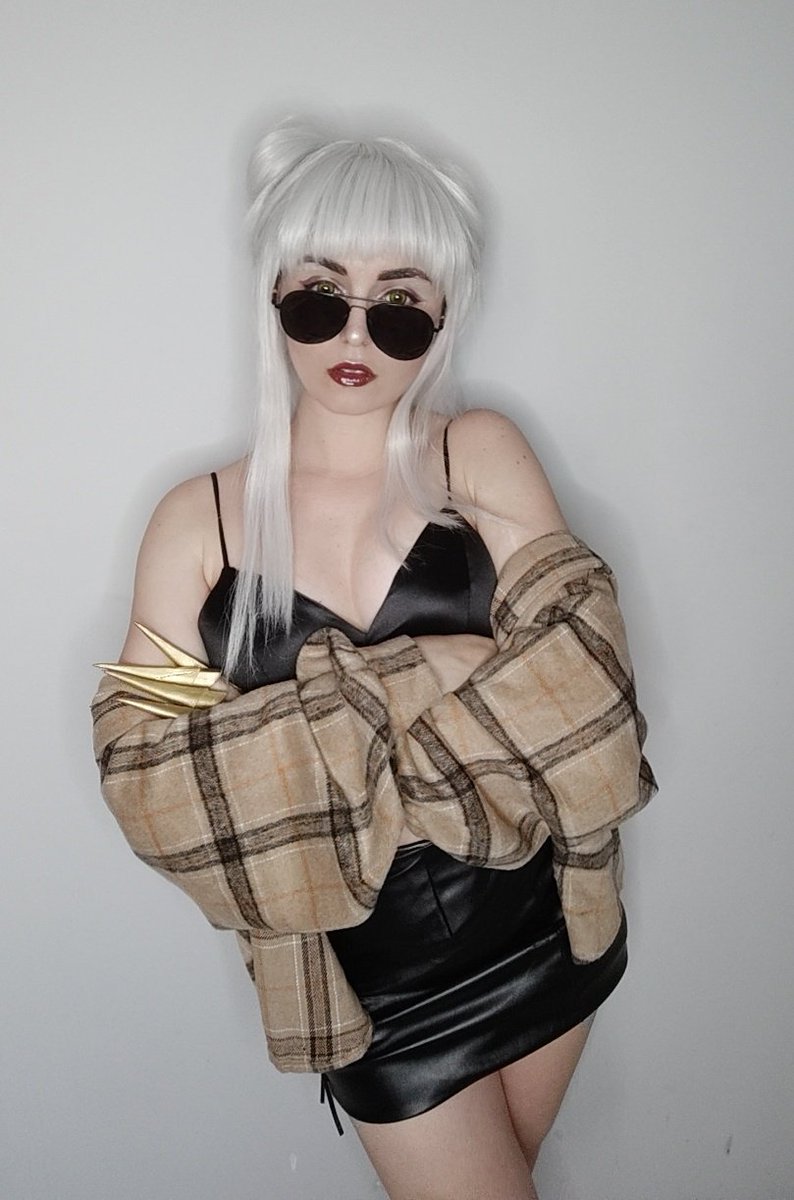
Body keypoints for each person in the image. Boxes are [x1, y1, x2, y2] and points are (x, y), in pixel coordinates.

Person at [93, 120, 655, 1200]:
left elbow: (587, 684)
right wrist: (431, 667)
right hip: (370, 985)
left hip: (546, 921)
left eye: (396, 305)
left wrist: (304, 745)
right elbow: (150, 783)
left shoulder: (474, 453)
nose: (354, 332)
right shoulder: (198, 523)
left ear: (441, 316)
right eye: (319, 297)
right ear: (273, 298)